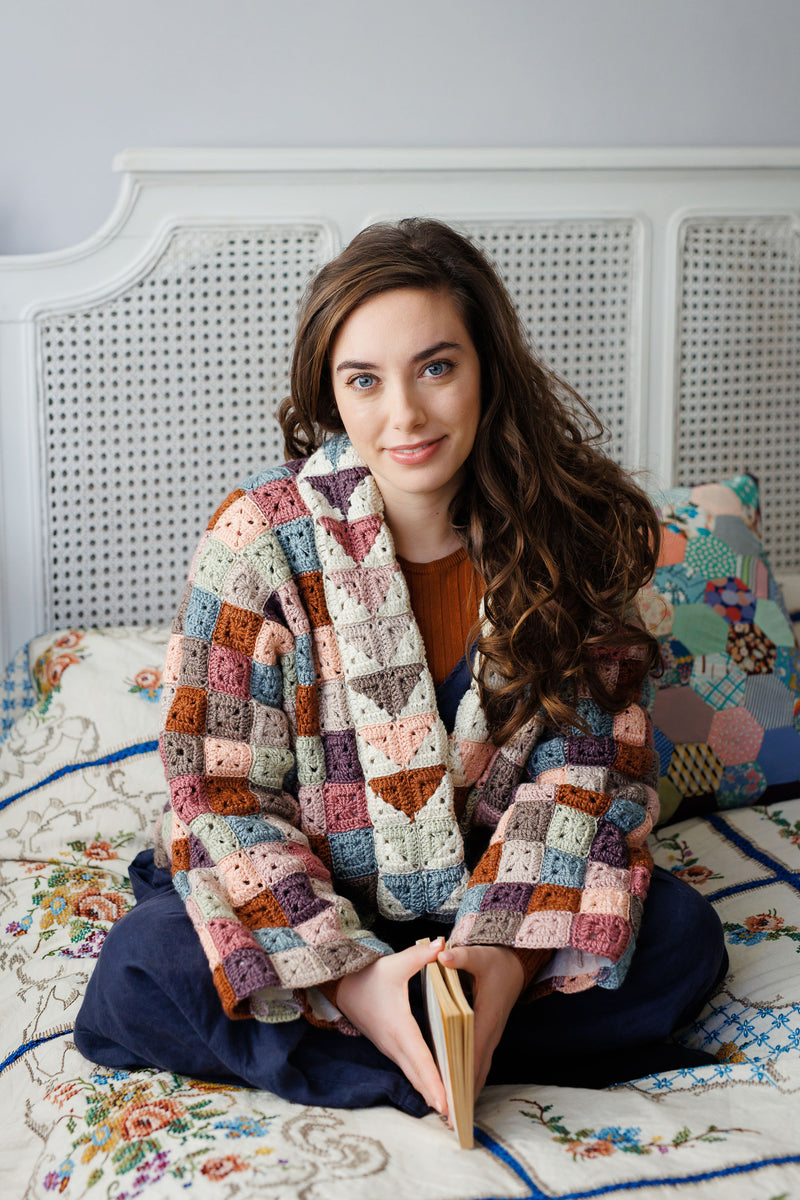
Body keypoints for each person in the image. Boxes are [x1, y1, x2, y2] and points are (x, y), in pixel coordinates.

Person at [75, 218, 727, 1120]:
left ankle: (446, 1032)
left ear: (486, 367)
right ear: (330, 395)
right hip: (311, 902)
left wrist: (504, 958)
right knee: (145, 964)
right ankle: (418, 1044)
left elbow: (588, 774)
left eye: (436, 367)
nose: (406, 416)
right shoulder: (259, 543)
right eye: (365, 381)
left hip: (507, 901)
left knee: (683, 940)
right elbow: (219, 792)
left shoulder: (566, 536)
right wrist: (351, 981)